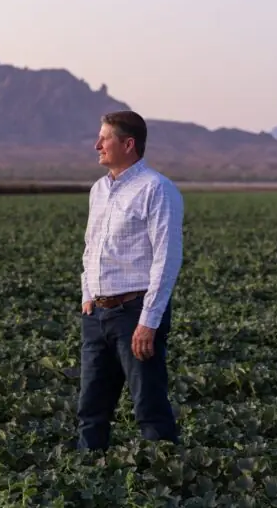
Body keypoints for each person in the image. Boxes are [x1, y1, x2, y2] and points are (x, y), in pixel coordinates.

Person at [77, 110, 184, 450]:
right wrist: (87, 296)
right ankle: (85, 478)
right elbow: (91, 247)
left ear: (128, 143)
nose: (97, 145)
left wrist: (148, 322)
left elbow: (166, 259)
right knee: (91, 408)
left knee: (148, 408)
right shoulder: (99, 190)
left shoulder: (156, 189)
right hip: (97, 315)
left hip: (134, 313)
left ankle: (164, 481)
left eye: (104, 138)